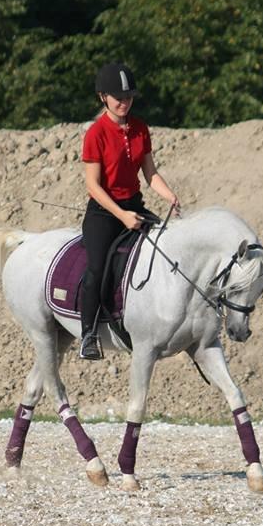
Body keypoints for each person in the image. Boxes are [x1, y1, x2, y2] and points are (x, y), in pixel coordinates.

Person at [78, 62, 180, 360]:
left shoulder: (140, 128)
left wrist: (170, 195)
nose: (125, 103)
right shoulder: (95, 134)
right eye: (118, 97)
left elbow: (150, 174)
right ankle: (88, 334)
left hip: (134, 205)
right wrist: (121, 216)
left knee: (167, 250)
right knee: (96, 268)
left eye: (129, 97)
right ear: (103, 98)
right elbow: (93, 186)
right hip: (104, 211)